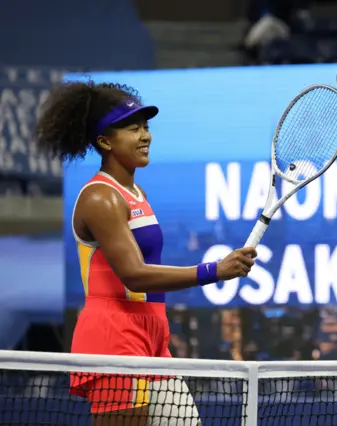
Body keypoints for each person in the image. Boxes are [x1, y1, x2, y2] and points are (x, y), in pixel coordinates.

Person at [35, 81, 257, 426]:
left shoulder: (135, 191)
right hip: (115, 337)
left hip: (152, 334)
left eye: (146, 127)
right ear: (105, 141)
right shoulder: (101, 198)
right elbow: (134, 274)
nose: (145, 136)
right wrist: (214, 271)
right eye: (132, 127)